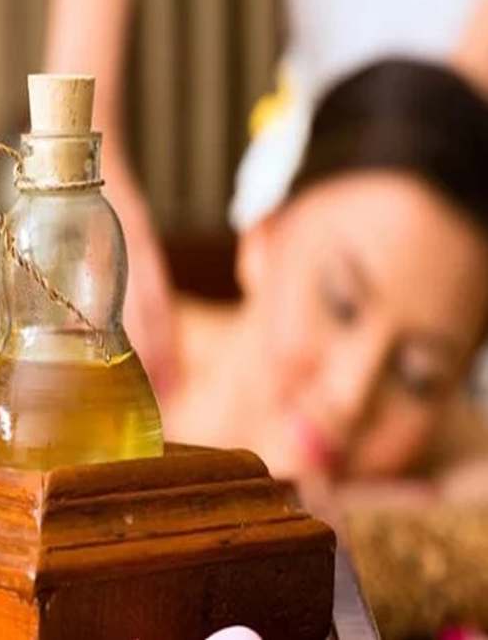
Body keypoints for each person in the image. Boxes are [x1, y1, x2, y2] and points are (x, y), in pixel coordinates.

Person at [165, 60, 488, 482]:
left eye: (418, 376)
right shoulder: (90, 376)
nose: (350, 396)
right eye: (341, 304)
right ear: (264, 236)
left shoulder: (441, 462)